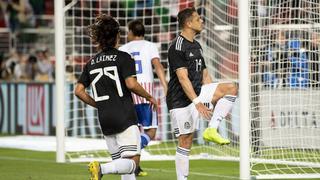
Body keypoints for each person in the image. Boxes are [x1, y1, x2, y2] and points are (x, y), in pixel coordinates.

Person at [74, 14, 157, 180]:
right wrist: (149, 97)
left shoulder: (91, 62)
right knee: (133, 163)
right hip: (124, 115)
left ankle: (103, 169)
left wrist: (97, 104)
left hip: (105, 118)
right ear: (117, 36)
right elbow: (131, 84)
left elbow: (78, 90)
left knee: (121, 165)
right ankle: (101, 169)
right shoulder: (123, 57)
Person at [166, 7, 238, 180]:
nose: (202, 21)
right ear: (189, 23)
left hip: (198, 93)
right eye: (198, 19)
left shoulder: (197, 45)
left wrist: (214, 98)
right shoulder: (176, 47)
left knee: (230, 88)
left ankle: (212, 130)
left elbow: (205, 74)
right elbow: (183, 78)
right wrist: (198, 102)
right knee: (186, 140)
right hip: (180, 100)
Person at [119, 19, 168, 176]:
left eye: (128, 32)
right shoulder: (150, 46)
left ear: (132, 32)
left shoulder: (123, 48)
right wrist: (165, 86)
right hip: (146, 93)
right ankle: (135, 152)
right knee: (151, 131)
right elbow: (158, 66)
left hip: (128, 92)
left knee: (133, 131)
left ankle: (135, 166)